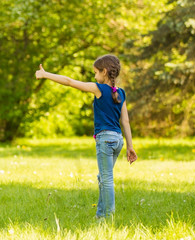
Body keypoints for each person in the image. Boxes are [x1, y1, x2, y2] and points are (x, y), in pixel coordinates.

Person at [35, 54, 137, 219]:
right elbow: (125, 120)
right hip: (118, 140)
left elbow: (69, 81)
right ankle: (100, 215)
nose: (95, 77)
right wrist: (130, 146)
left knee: (107, 179)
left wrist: (45, 74)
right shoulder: (121, 93)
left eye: (96, 73)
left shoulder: (99, 89)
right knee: (103, 177)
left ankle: (108, 217)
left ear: (104, 72)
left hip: (105, 139)